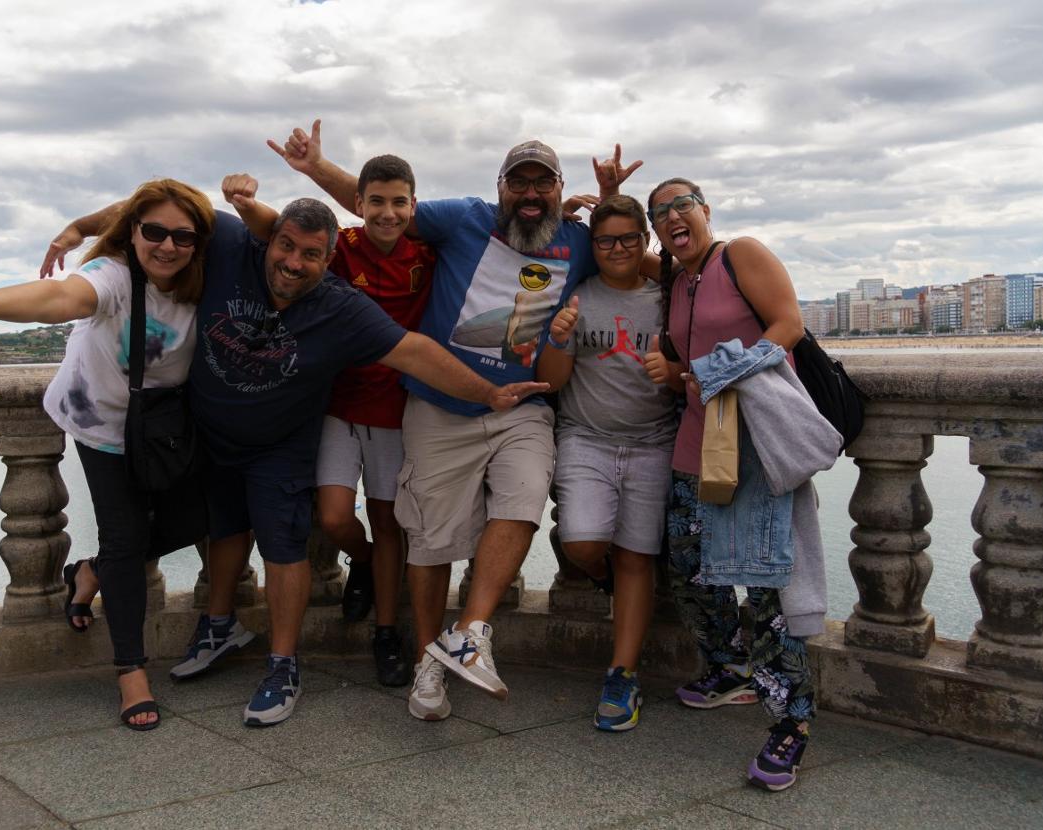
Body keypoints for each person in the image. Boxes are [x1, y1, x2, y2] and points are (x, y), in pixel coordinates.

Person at [42, 194, 546, 727]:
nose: (292, 262)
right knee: (223, 526)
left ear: (328, 260)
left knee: (284, 548)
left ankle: (283, 665)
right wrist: (79, 227)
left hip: (280, 446)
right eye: (285, 245)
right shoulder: (234, 244)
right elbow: (163, 203)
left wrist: (489, 394)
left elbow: (414, 351)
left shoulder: (341, 306)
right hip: (209, 437)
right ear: (269, 240)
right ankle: (219, 626)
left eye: (310, 253)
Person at [270, 120, 650, 720]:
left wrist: (610, 206)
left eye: (542, 183)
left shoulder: (578, 243)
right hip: (439, 407)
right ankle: (429, 663)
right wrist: (316, 167)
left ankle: (470, 633)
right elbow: (383, 212)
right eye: (517, 182)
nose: (530, 194)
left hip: (523, 405)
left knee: (523, 501)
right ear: (499, 187)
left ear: (558, 189)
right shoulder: (465, 218)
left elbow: (637, 264)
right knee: (431, 539)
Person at [0, 179, 219, 731]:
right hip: (99, 422)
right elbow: (60, 299)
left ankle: (89, 570)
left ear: (200, 241)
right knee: (127, 539)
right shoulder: (112, 276)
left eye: (182, 236)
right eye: (153, 231)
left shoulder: (204, 277)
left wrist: (78, 225)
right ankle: (130, 670)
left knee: (201, 517)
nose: (167, 245)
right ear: (133, 232)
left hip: (162, 428)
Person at [222, 153, 435, 689]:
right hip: (338, 406)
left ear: (413, 204)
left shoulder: (429, 254)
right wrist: (247, 204)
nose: (388, 213)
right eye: (376, 202)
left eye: (399, 202)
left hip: (394, 412)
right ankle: (360, 564)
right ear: (358, 204)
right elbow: (283, 233)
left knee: (389, 523)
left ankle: (386, 630)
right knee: (337, 518)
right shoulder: (343, 247)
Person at [642, 177, 819, 790]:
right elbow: (613, 254)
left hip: (754, 446)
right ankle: (729, 667)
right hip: (697, 446)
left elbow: (787, 326)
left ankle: (790, 725)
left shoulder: (740, 254)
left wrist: (708, 374)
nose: (671, 217)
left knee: (767, 589)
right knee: (688, 568)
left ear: (706, 211)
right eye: (658, 213)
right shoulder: (676, 280)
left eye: (681, 205)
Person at [535, 195, 676, 732]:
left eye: (628, 239)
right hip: (586, 439)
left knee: (639, 559)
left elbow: (689, 365)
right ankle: (613, 584)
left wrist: (676, 368)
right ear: (593, 246)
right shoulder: (577, 297)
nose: (617, 249)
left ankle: (623, 673)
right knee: (583, 544)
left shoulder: (665, 301)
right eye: (605, 240)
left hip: (653, 442)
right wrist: (559, 338)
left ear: (644, 242)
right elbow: (553, 381)